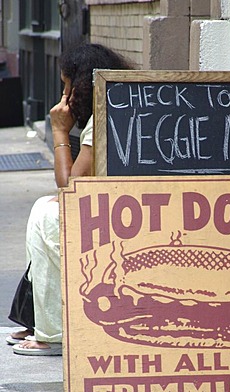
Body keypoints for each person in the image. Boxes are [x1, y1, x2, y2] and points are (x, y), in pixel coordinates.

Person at [7, 43, 134, 355]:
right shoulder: (122, 106)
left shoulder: (100, 121)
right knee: (46, 208)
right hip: (128, 213)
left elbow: (71, 189)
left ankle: (54, 332)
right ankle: (37, 317)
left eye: (66, 84)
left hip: (118, 225)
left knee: (47, 215)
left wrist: (60, 133)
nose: (63, 94)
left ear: (80, 85)